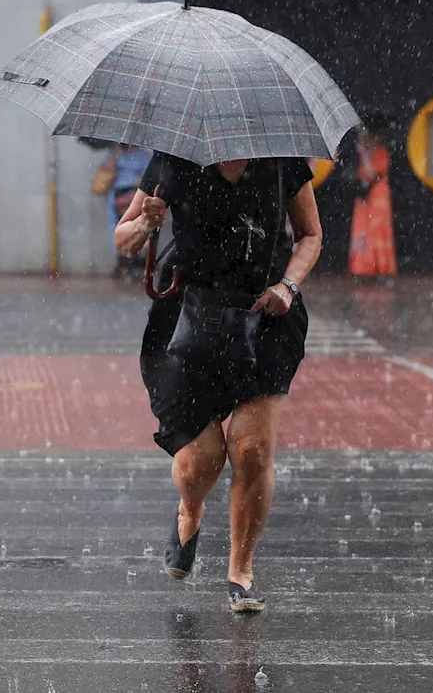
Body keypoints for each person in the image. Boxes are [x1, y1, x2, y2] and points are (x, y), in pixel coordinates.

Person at [113, 154, 320, 613]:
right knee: (200, 463)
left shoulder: (282, 160)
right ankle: (190, 509)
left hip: (266, 314)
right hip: (189, 316)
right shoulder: (174, 161)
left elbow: (310, 235)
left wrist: (288, 286)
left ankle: (240, 572)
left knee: (251, 449)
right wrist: (147, 224)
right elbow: (123, 241)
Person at [349, 116, 397, 278]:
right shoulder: (366, 154)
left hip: (377, 199)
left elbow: (371, 174)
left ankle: (379, 267)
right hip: (364, 199)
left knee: (376, 232)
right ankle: (363, 266)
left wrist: (364, 155)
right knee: (362, 232)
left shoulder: (382, 154)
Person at [103, 145, 154, 277]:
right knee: (117, 227)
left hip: (133, 195)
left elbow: (148, 175)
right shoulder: (116, 154)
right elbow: (107, 170)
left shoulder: (142, 156)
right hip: (117, 197)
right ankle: (123, 262)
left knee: (135, 226)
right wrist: (116, 153)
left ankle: (134, 261)